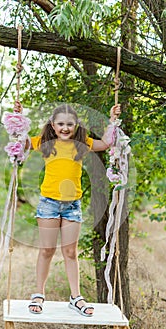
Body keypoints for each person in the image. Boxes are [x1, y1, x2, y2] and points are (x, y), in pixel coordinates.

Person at [19, 102, 121, 316]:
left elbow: (105, 143)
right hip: (49, 204)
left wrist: (112, 120)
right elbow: (22, 142)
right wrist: (18, 119)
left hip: (72, 206)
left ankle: (76, 297)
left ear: (76, 126)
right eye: (60, 124)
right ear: (53, 125)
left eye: (70, 124)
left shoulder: (81, 143)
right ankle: (39, 293)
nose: (65, 128)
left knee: (70, 252)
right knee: (47, 250)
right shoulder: (46, 142)